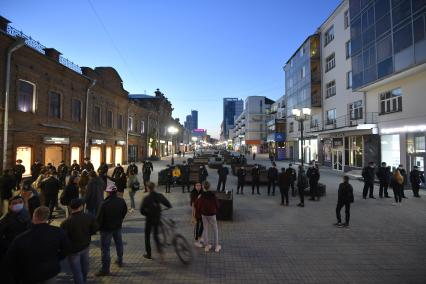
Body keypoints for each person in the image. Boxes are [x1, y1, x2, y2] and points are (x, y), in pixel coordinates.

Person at [6, 206, 70, 283]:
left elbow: (11, 258)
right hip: (50, 271)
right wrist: (56, 258)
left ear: (34, 217)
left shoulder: (21, 238)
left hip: (29, 274)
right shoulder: (58, 232)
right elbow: (66, 249)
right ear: (47, 217)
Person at [61, 199, 98, 284]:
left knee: (77, 271)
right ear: (81, 207)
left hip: (73, 250)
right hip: (85, 245)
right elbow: (95, 229)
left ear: (70, 208)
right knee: (85, 267)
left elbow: (63, 238)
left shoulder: (66, 223)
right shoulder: (89, 217)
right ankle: (84, 280)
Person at [96, 185, 127, 276]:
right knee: (119, 242)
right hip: (117, 226)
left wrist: (98, 228)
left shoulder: (104, 204)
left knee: (105, 249)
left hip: (106, 229)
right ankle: (120, 260)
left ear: (108, 192)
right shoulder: (121, 201)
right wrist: (120, 219)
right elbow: (124, 212)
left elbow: (99, 219)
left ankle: (105, 269)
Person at [140, 182, 172, 260]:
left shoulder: (146, 199)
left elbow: (141, 210)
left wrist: (147, 213)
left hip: (149, 220)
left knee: (147, 236)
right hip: (157, 218)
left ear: (148, 188)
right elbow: (168, 204)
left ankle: (149, 254)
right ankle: (161, 252)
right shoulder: (159, 196)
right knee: (155, 235)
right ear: (154, 188)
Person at [195, 181, 221, 252]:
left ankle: (206, 246)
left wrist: (200, 211)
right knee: (215, 229)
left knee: (205, 230)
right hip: (212, 214)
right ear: (209, 187)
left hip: (204, 215)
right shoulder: (213, 195)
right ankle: (216, 246)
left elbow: (197, 204)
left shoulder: (201, 195)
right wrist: (216, 210)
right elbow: (217, 205)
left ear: (203, 187)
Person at [190, 182, 203, 246]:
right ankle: (196, 239)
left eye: (199, 185)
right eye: (197, 185)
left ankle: (200, 236)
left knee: (203, 225)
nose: (198, 187)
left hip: (202, 211)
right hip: (196, 211)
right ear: (195, 186)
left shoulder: (202, 192)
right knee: (197, 225)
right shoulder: (193, 193)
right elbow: (193, 204)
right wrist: (193, 215)